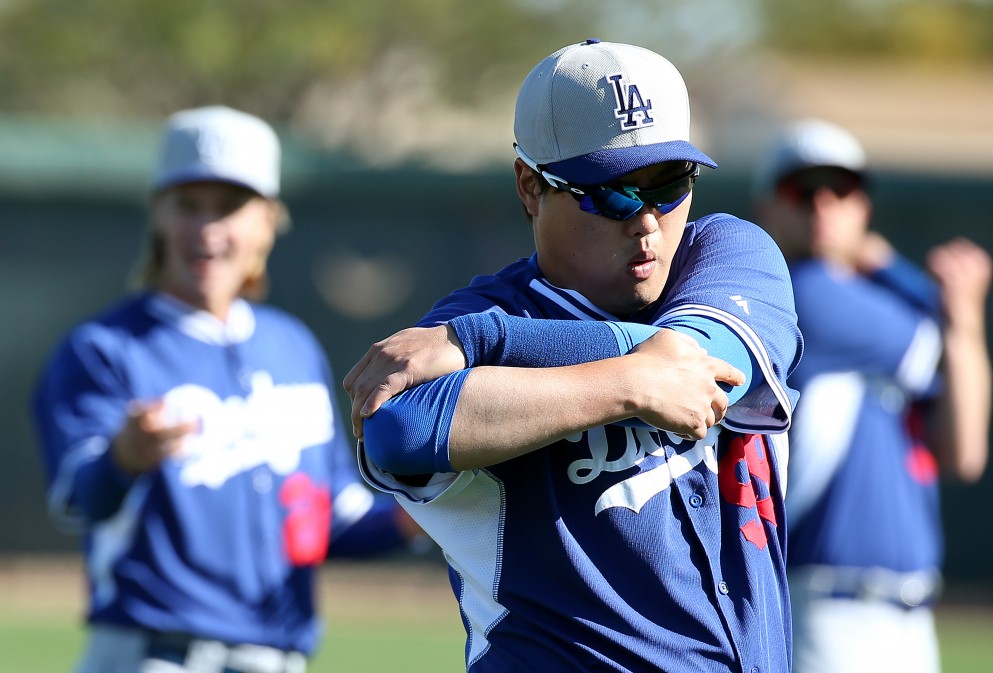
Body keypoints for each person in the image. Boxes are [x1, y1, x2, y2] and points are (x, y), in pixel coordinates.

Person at [343, 38, 804, 672]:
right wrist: (630, 384)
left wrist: (488, 344)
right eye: (612, 192)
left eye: (668, 184)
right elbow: (397, 430)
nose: (645, 221)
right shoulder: (479, 313)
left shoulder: (729, 253)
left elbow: (698, 363)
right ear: (530, 187)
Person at [32, 105, 422, 673]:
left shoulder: (293, 345)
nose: (208, 230)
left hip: (279, 655)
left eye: (230, 207)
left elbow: (328, 519)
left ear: (268, 220)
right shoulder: (105, 348)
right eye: (187, 205)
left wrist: (417, 513)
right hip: (156, 653)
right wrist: (123, 455)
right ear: (157, 216)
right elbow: (80, 494)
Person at [753, 118, 993, 673]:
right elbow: (947, 322)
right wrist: (891, 267)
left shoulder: (863, 305)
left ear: (863, 204)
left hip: (906, 614)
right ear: (768, 208)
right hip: (825, 611)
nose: (822, 207)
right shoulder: (804, 294)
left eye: (841, 190)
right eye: (801, 191)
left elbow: (965, 453)